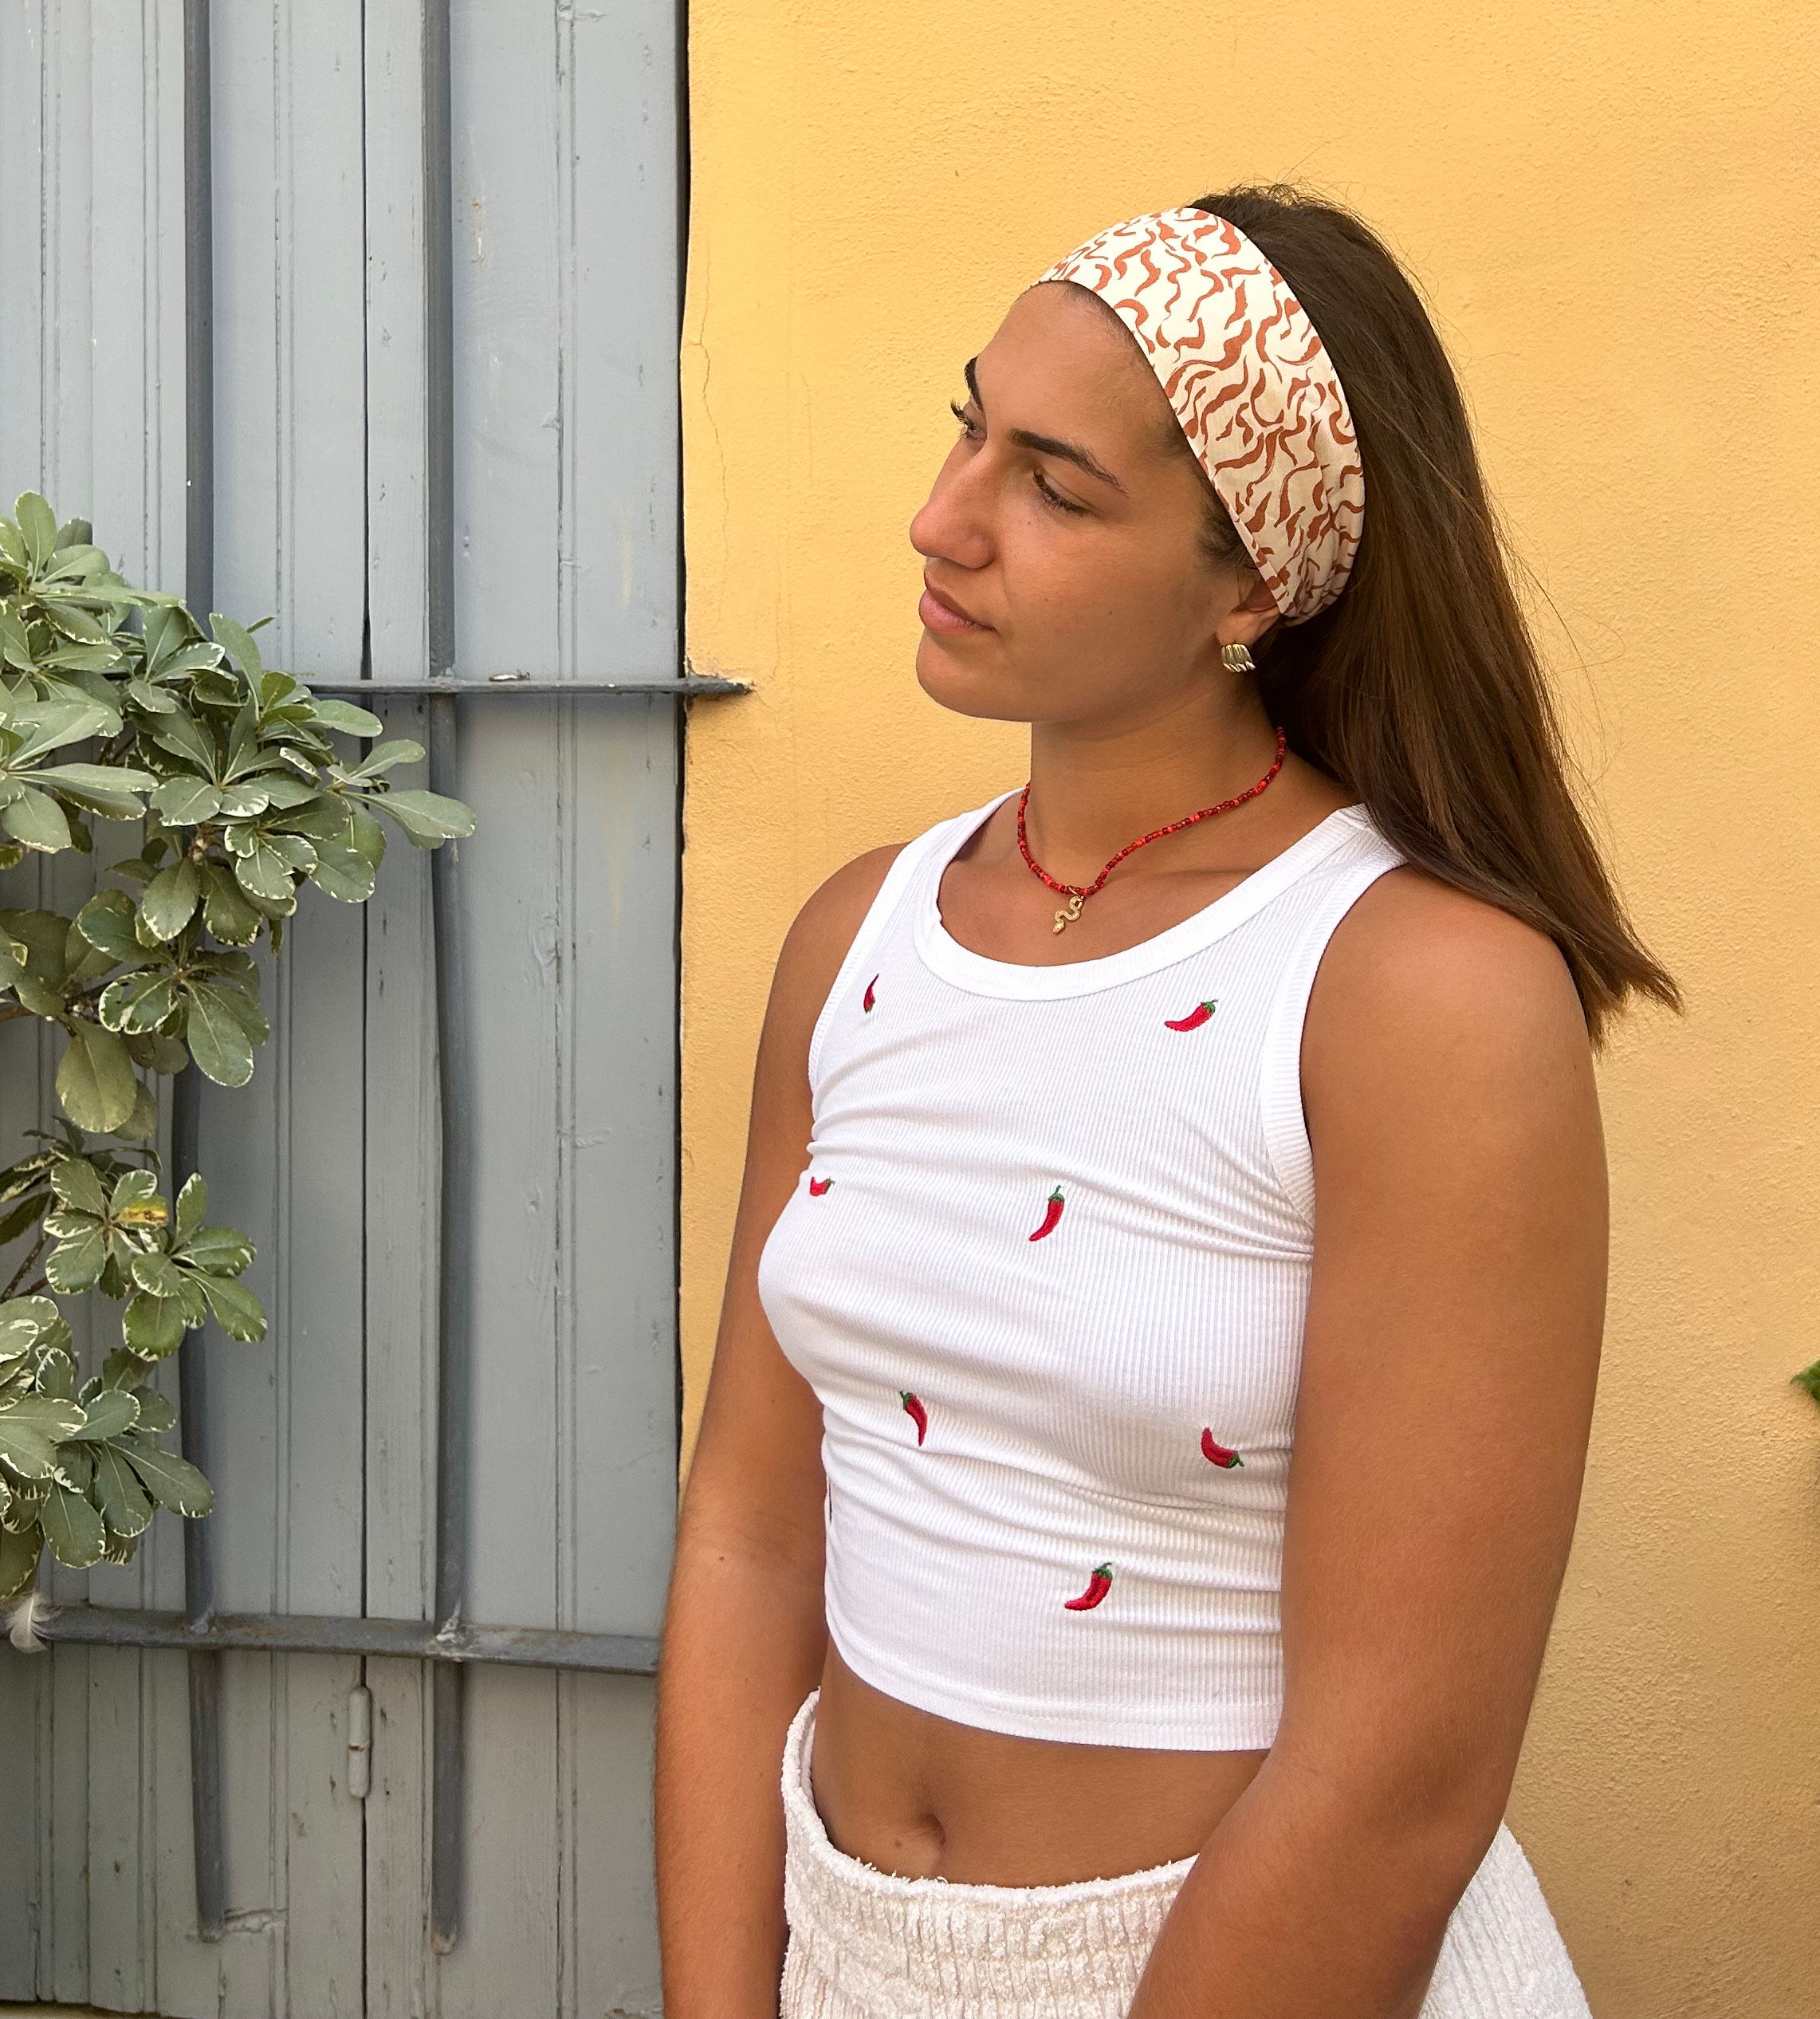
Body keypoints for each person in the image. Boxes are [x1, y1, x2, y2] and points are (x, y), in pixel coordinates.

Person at [656, 190, 1677, 2019]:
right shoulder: (859, 940)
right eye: (968, 422)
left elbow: (1400, 1782)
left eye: (1055, 485)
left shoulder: (1413, 996)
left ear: (1251, 586)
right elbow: (748, 1534)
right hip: (849, 1960)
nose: (942, 515)